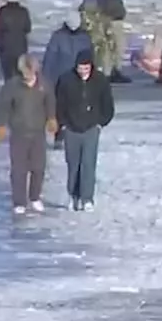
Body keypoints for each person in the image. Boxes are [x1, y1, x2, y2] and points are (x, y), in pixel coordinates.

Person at [0, 55, 57, 214]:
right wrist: (1, 125)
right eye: (24, 72)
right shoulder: (12, 86)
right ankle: (19, 202)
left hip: (38, 133)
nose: (27, 75)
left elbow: (50, 102)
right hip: (19, 133)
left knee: (38, 167)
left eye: (29, 72)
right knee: (18, 169)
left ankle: (35, 197)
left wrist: (51, 118)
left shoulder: (44, 84)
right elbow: (3, 106)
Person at [55, 51, 115, 212]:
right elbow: (59, 104)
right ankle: (73, 195)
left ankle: (87, 197)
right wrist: (63, 124)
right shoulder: (66, 80)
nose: (83, 71)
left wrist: (101, 122)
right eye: (81, 68)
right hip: (71, 129)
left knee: (88, 164)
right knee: (73, 164)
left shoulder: (100, 80)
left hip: (91, 128)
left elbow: (107, 104)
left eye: (86, 68)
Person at [42, 6, 95, 149]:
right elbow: (90, 58)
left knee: (67, 108)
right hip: (70, 78)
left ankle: (66, 136)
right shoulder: (83, 37)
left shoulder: (60, 36)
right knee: (68, 108)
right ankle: (65, 135)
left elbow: (50, 59)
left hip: (67, 78)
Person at [93, 0, 131, 83]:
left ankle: (115, 70)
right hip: (110, 21)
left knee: (118, 48)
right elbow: (101, 5)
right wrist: (106, 21)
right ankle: (109, 72)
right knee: (111, 48)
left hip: (115, 20)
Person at [0, 0, 32, 81]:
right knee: (20, 72)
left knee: (8, 74)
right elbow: (28, 28)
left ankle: (9, 90)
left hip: (5, 46)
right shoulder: (24, 11)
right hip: (20, 46)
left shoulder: (3, 10)